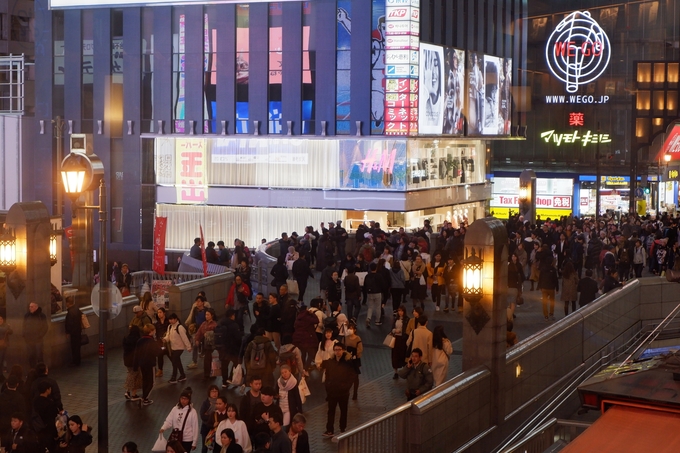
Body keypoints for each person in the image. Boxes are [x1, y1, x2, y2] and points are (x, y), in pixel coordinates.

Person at [319, 342, 357, 437]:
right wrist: (328, 385)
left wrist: (346, 386)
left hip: (343, 392)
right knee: (331, 411)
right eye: (335, 350)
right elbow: (327, 375)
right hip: (332, 392)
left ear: (343, 350)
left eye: (339, 349)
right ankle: (329, 430)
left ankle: (342, 429)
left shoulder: (348, 362)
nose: (337, 352)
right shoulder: (331, 362)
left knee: (343, 411)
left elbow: (352, 376)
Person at [133, 324, 162, 405]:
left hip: (142, 364)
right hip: (150, 364)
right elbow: (158, 352)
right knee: (152, 382)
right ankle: (145, 398)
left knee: (145, 380)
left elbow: (136, 353)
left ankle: (144, 396)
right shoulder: (152, 341)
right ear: (151, 332)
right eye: (154, 330)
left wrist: (135, 366)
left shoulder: (140, 341)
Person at [216, 308, 242, 389]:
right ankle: (231, 378)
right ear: (232, 316)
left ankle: (224, 382)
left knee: (224, 365)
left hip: (223, 349)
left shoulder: (220, 324)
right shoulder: (234, 325)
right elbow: (238, 338)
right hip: (233, 349)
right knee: (236, 364)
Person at [165, 313, 192, 383]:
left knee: (174, 361)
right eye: (169, 319)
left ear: (176, 319)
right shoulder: (170, 327)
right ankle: (183, 375)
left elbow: (184, 338)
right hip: (173, 347)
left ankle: (174, 377)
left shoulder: (180, 327)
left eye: (172, 319)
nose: (170, 321)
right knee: (177, 362)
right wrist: (165, 339)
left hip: (180, 348)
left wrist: (188, 347)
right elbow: (168, 335)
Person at [32, 381, 59, 453]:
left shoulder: (35, 401)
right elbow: (51, 421)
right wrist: (55, 434)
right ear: (47, 390)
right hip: (47, 432)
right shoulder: (49, 404)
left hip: (37, 429)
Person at [186, 296, 211, 369]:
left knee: (205, 344)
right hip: (197, 330)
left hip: (205, 330)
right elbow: (193, 319)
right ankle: (194, 361)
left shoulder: (206, 310)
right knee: (195, 345)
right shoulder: (195, 310)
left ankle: (205, 358)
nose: (197, 302)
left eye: (199, 301)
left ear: (203, 302)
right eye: (197, 301)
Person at [23, 302, 48, 368]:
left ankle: (41, 369)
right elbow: (24, 325)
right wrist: (24, 334)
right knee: (31, 355)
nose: (30, 308)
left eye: (32, 307)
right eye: (29, 306)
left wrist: (40, 335)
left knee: (39, 355)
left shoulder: (41, 316)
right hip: (29, 339)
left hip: (38, 339)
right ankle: (32, 369)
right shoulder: (27, 315)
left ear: (36, 307)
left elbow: (45, 327)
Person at [194, 308, 218, 378]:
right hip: (205, 344)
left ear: (212, 316)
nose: (206, 316)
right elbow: (199, 332)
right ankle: (209, 373)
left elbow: (215, 334)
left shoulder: (214, 324)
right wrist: (197, 339)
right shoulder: (204, 324)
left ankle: (208, 374)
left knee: (208, 359)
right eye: (206, 315)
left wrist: (207, 334)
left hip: (212, 345)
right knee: (208, 359)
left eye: (208, 315)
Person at [342, 322, 362, 400]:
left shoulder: (358, 338)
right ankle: (346, 391)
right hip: (347, 359)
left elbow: (360, 349)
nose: (349, 330)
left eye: (351, 329)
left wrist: (355, 355)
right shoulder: (345, 338)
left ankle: (355, 393)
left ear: (354, 330)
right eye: (348, 328)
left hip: (355, 359)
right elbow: (342, 347)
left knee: (355, 376)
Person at [199, 386, 221, 453]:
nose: (214, 393)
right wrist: (213, 419)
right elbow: (203, 416)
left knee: (217, 447)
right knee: (205, 447)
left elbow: (221, 415)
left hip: (217, 429)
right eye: (212, 391)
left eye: (216, 391)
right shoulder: (205, 403)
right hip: (206, 429)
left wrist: (208, 415)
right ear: (209, 393)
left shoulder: (220, 402)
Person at [122, 325, 142, 401]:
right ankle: (130, 393)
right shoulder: (137, 340)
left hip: (127, 360)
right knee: (135, 376)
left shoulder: (126, 338)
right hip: (135, 360)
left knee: (132, 374)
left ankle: (131, 393)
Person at [391, 305, 410, 379]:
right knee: (395, 356)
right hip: (396, 339)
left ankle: (405, 371)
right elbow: (392, 328)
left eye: (401, 311)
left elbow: (407, 330)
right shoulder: (396, 319)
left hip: (403, 340)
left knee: (403, 355)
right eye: (399, 311)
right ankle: (395, 372)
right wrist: (394, 330)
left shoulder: (407, 320)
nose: (400, 312)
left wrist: (402, 332)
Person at [63, 296, 83, 367]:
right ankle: (78, 360)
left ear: (68, 303)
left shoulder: (70, 312)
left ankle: (75, 361)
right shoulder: (77, 309)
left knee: (74, 346)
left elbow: (69, 323)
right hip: (78, 330)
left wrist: (67, 332)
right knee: (78, 347)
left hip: (73, 332)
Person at [364, 263, 383, 329]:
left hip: (370, 293)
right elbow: (382, 284)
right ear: (376, 268)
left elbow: (365, 285)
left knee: (370, 307)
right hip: (377, 292)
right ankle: (377, 321)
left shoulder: (367, 276)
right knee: (378, 307)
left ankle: (368, 318)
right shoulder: (379, 276)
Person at [155, 307, 170, 377]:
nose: (159, 314)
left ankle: (177, 368)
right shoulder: (157, 324)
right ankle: (160, 370)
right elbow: (157, 333)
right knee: (160, 355)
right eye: (158, 312)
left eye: (160, 312)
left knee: (171, 356)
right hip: (160, 343)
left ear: (164, 313)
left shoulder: (168, 322)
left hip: (168, 343)